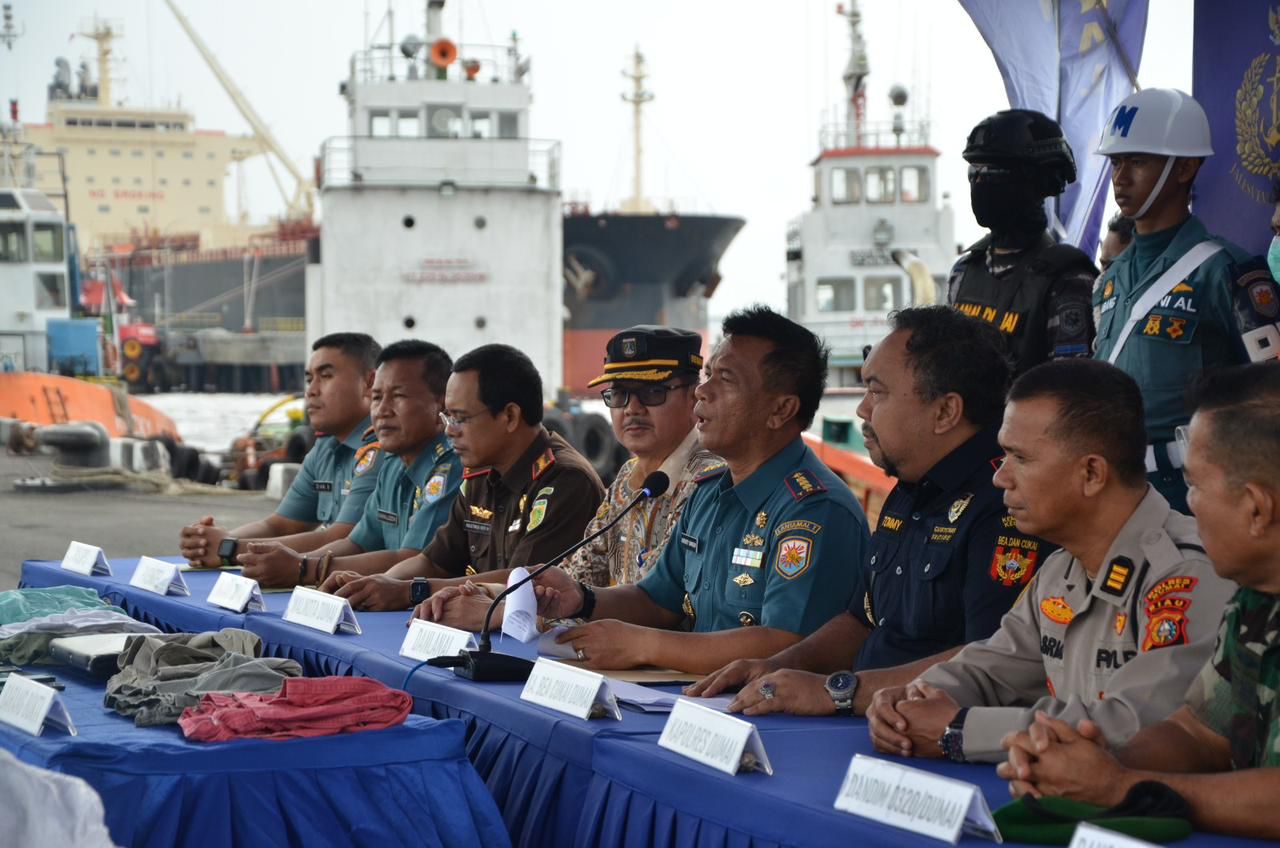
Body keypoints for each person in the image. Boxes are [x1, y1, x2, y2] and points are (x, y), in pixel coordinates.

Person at [865, 359, 1234, 764]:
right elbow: (990, 669)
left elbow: (1143, 728)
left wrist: (960, 729)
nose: (1000, 477)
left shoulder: (1185, 573)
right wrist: (911, 701)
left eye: (1020, 458)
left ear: (1091, 473)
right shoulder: (1061, 569)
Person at [689, 306, 1050, 714]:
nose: (862, 409)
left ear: (945, 412)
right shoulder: (911, 488)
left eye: (877, 392)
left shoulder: (1004, 502)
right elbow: (862, 620)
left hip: (927, 730)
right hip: (865, 715)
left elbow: (990, 659)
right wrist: (777, 668)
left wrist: (839, 691)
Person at [999, 362, 1280, 840]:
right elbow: (1197, 732)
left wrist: (1126, 788)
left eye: (1195, 485)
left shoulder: (1201, 572)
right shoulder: (1256, 599)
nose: (1188, 504)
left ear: (1256, 508)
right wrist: (1091, 763)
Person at [520, 306, 869, 675]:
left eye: (726, 379)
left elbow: (786, 644)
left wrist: (643, 645)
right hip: (693, 696)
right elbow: (656, 599)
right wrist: (583, 599)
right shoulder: (709, 492)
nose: (702, 391)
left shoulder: (815, 509)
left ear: (781, 409)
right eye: (708, 375)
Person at [419, 326, 722, 631]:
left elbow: (650, 602)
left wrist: (499, 611)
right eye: (619, 394)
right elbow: (577, 574)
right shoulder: (628, 477)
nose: (632, 408)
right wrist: (485, 593)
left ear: (693, 396)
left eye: (653, 392)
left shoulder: (708, 481)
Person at [318, 344, 605, 610]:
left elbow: (523, 583)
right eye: (448, 417)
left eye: (460, 418)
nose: (449, 430)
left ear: (509, 416)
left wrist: (409, 591)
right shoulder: (481, 473)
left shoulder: (565, 482)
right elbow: (434, 562)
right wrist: (374, 586)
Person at [1092, 87, 1262, 512]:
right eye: (1115, 161)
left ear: (1185, 167)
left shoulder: (1224, 270)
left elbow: (1271, 393)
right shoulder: (1109, 279)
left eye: (1138, 161)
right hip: (1109, 491)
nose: (1120, 178)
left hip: (1191, 496)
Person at [234, 341, 462, 588]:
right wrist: (294, 562)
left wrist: (304, 569)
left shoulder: (451, 465)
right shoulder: (393, 462)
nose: (382, 410)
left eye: (398, 396)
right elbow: (357, 543)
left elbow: (414, 559)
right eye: (376, 397)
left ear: (441, 406)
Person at [178, 333, 383, 567]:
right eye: (309, 379)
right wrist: (213, 542)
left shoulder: (381, 448)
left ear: (369, 383)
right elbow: (281, 525)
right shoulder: (326, 447)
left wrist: (230, 548)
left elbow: (344, 539)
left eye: (326, 376)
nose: (311, 391)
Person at [947, 109, 1097, 377]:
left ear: (1034, 182)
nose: (979, 182)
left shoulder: (1067, 280)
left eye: (992, 173)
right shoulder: (964, 272)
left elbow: (1070, 387)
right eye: (974, 172)